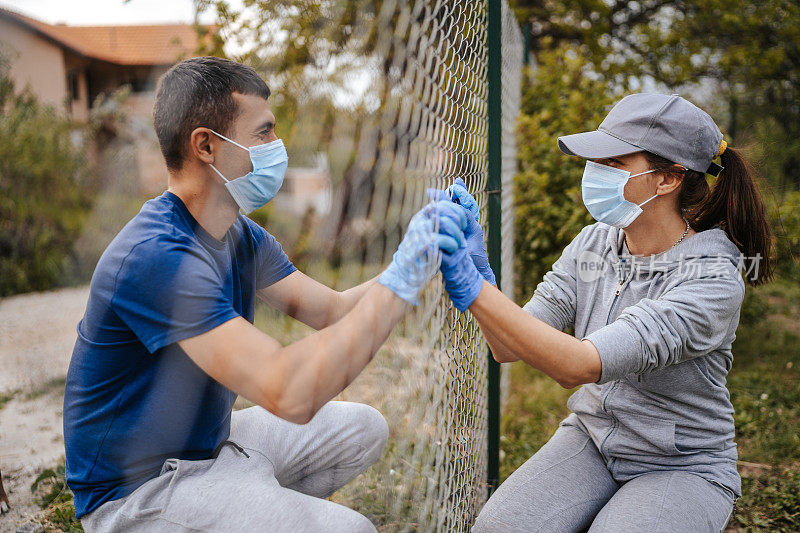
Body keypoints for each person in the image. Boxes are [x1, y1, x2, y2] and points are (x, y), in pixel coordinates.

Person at [63, 56, 469, 532]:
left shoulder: (240, 236)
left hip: (208, 449)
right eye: (264, 133)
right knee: (351, 531)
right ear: (207, 145)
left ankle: (243, 508)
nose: (278, 146)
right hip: (138, 492)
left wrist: (420, 263)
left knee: (363, 430)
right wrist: (397, 286)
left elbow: (333, 311)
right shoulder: (155, 255)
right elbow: (288, 391)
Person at [432, 93, 773, 532]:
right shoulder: (593, 244)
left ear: (668, 179)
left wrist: (474, 289)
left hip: (680, 463)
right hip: (592, 439)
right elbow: (505, 348)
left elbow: (579, 366)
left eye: (614, 163)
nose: (594, 173)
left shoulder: (712, 279)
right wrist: (481, 276)